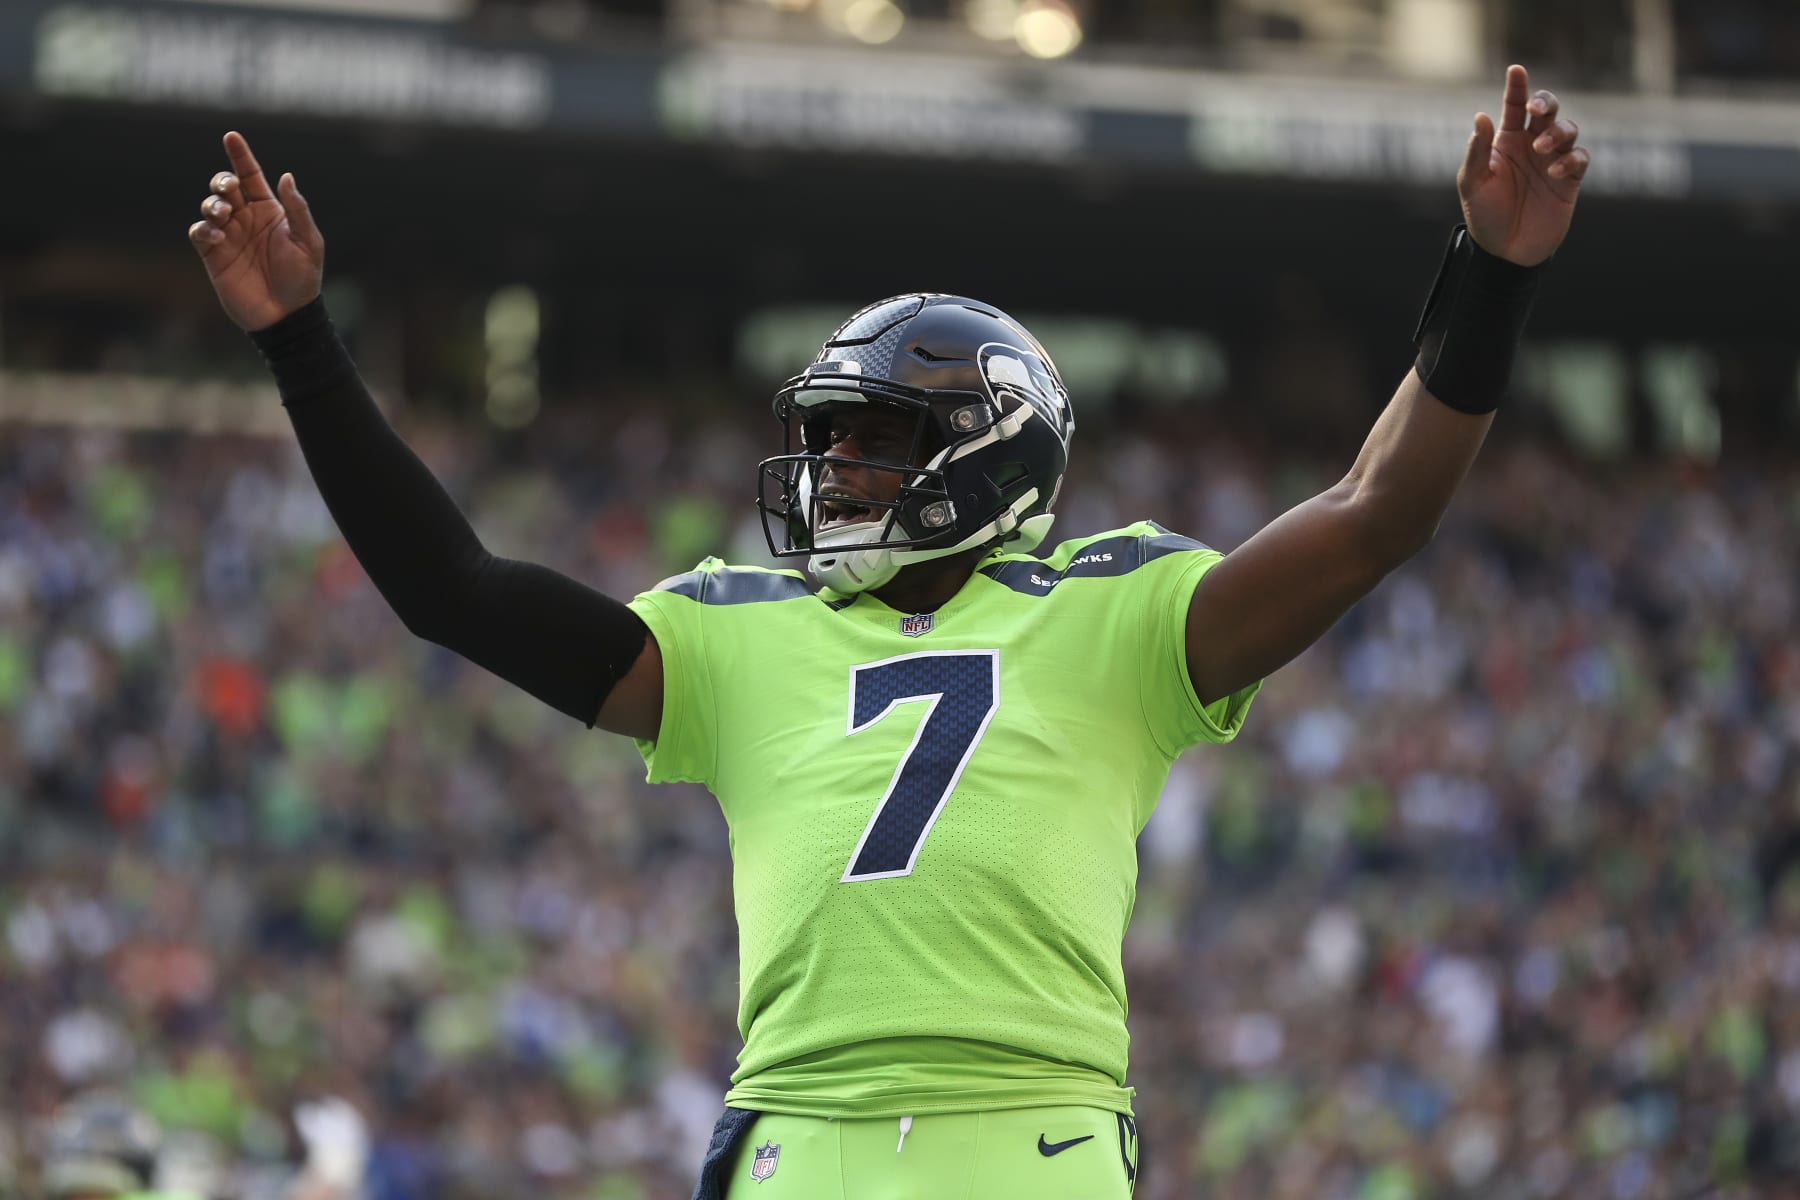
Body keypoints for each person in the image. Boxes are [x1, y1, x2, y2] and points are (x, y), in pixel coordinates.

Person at [186, 65, 1588, 1199]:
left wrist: (1490, 276)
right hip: (797, 1131)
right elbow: (459, 591)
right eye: (827, 439)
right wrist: (302, 342)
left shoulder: (1119, 611)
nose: (831, 473)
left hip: (1031, 1128)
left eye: (869, 440)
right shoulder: (738, 633)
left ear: (988, 458)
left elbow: (1371, 511)